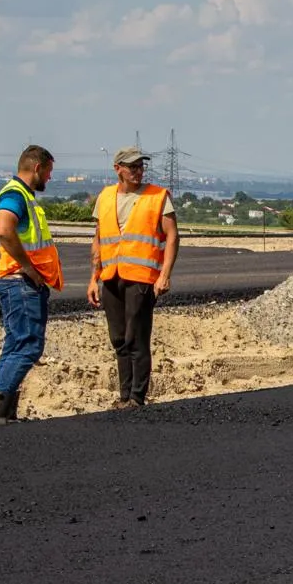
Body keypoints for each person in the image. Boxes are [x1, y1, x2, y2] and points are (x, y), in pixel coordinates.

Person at [86, 147, 178, 409]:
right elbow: (99, 239)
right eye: (132, 167)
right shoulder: (105, 197)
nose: (137, 171)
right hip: (111, 276)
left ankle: (137, 397)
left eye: (140, 166)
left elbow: (172, 236)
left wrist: (165, 275)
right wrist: (94, 278)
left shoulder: (158, 196)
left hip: (141, 277)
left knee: (136, 338)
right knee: (118, 338)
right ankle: (124, 396)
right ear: (118, 169)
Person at [0, 144, 64, 427]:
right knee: (27, 346)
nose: (50, 178)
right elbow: (4, 229)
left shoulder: (23, 196)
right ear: (37, 168)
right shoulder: (15, 195)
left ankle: (3, 415)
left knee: (17, 344)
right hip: (20, 282)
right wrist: (29, 268)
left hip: (21, 282)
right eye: (49, 172)